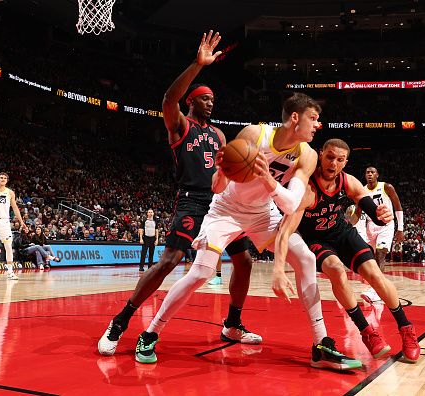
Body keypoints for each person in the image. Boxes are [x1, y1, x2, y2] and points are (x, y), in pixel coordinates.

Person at [133, 91, 363, 371]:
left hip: (262, 213)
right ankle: (150, 333)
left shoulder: (308, 155)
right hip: (225, 210)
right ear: (294, 118)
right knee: (202, 272)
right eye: (313, 118)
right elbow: (217, 188)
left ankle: (321, 344)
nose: (317, 125)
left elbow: (290, 204)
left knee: (305, 258)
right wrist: (220, 172)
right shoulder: (255, 134)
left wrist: (267, 178)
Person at [98, 31, 258, 357]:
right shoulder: (181, 126)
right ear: (192, 101)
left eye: (213, 98)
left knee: (244, 261)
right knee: (169, 260)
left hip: (222, 205)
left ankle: (232, 323)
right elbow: (168, 99)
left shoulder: (219, 134)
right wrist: (198, 65)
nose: (211, 102)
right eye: (205, 97)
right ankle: (120, 320)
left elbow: (228, 174)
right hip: (193, 200)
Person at [272, 139, 421, 363]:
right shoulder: (306, 189)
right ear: (320, 155)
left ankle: (406, 329)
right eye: (330, 157)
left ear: (345, 162)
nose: (333, 163)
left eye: (340, 159)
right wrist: (278, 269)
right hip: (317, 239)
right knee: (335, 269)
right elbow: (285, 232)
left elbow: (372, 211)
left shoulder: (347, 181)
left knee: (374, 273)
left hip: (341, 232)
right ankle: (367, 332)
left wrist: (382, 215)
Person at [353, 167, 405, 304]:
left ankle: (375, 291)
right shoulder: (362, 190)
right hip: (370, 226)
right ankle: (377, 287)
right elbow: (358, 213)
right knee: (369, 258)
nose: (369, 174)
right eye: (367, 172)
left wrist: (400, 229)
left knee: (380, 255)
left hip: (386, 224)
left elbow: (398, 206)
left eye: (372, 172)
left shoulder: (387, 187)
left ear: (377, 175)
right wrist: (349, 226)